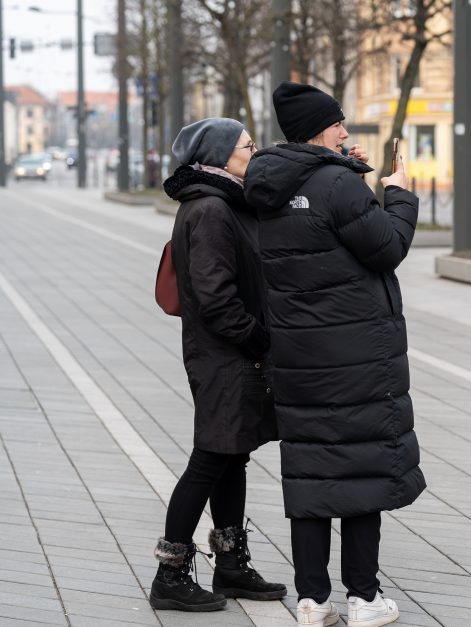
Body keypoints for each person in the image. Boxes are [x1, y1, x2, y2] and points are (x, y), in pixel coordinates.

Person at [245, 82, 425, 627]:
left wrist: (342, 169)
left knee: (312, 476)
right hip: (355, 359)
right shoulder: (338, 186)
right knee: (361, 472)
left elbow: (317, 220)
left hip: (300, 359)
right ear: (318, 129)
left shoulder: (269, 186)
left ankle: (311, 601)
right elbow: (387, 247)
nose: (346, 131)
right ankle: (365, 599)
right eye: (337, 124)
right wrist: (398, 193)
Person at [149, 118, 286, 611]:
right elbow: (214, 296)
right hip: (224, 355)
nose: (256, 151)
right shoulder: (209, 209)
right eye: (248, 145)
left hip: (232, 354)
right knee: (210, 457)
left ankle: (230, 565)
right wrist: (257, 340)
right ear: (221, 154)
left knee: (233, 454)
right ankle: (170, 573)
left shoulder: (227, 200)